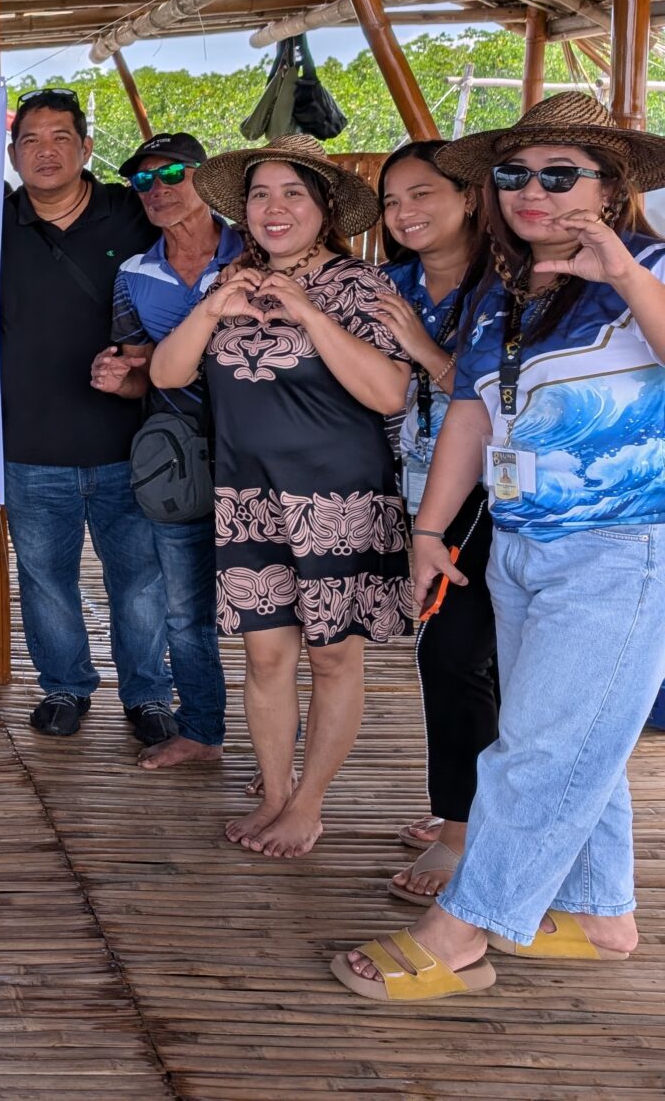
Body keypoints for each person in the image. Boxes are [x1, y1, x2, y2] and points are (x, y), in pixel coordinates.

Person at [335, 93, 665, 1003]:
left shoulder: (651, 268)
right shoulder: (506, 290)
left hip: (623, 547)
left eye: (562, 175)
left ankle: (460, 932)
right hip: (520, 543)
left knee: (541, 748)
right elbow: (473, 412)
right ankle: (602, 913)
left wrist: (624, 274)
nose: (531, 191)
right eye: (515, 174)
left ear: (614, 184)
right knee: (568, 735)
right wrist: (431, 531)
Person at [151, 135, 412, 859]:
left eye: (293, 193)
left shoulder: (360, 285)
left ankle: (309, 803)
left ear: (325, 207)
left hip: (341, 502)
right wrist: (211, 311)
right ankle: (272, 792)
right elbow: (170, 376)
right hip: (249, 498)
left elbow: (390, 390)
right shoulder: (229, 282)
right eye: (261, 194)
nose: (274, 208)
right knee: (265, 658)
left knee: (333, 659)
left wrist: (310, 314)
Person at [0, 88, 171, 743]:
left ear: (87, 147)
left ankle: (150, 695)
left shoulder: (134, 215)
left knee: (139, 585)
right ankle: (65, 688)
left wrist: (150, 360)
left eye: (61, 138)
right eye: (31, 140)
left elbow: (191, 288)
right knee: (46, 583)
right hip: (30, 445)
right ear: (13, 155)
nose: (46, 151)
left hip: (128, 445)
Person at [369, 140, 495, 907]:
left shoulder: (508, 285)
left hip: (495, 496)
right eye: (391, 201)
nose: (404, 213)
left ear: (471, 198)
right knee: (459, 657)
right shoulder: (390, 282)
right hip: (416, 494)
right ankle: (467, 803)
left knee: (456, 657)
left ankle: (461, 829)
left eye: (422, 195)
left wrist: (419, 346)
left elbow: (491, 401)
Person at [95, 132, 243, 771]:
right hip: (178, 463)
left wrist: (165, 360)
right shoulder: (133, 274)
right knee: (185, 614)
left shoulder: (259, 251)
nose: (157, 189)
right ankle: (203, 731)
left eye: (173, 172)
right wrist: (119, 377)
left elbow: (269, 359)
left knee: (285, 616)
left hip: (267, 459)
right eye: (142, 180)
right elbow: (142, 375)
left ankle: (284, 753)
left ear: (208, 178)